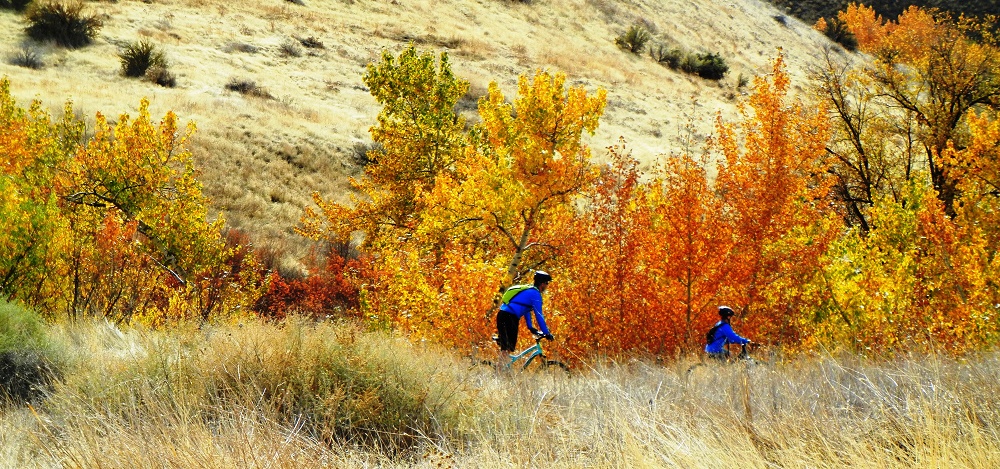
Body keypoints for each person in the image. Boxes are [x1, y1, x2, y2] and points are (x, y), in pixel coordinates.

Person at [495, 271, 554, 359]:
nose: (547, 285)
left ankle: (503, 371)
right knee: (506, 348)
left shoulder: (529, 291)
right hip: (509, 317)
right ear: (542, 284)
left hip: (504, 315)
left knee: (507, 348)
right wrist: (546, 333)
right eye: (547, 283)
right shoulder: (535, 294)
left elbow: (526, 309)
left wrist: (530, 327)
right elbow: (539, 315)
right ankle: (499, 372)